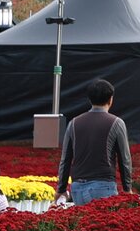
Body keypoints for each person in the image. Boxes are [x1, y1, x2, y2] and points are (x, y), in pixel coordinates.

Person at [57, 78, 134, 206]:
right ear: (110, 99)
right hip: (104, 186)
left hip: (77, 188)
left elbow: (65, 160)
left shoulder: (74, 123)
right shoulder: (116, 123)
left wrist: (61, 189)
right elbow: (124, 159)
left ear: (89, 99)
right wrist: (127, 188)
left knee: (81, 219)